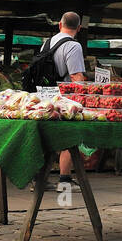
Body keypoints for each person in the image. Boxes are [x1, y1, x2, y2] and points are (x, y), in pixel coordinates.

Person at [38, 12, 88, 189]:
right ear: (79, 28)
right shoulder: (73, 46)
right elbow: (76, 77)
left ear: (59, 25)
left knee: (45, 139)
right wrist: (85, 98)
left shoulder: (46, 43)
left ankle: (39, 180)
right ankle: (64, 180)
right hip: (63, 99)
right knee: (68, 137)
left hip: (44, 98)